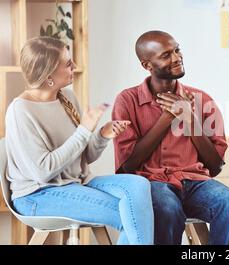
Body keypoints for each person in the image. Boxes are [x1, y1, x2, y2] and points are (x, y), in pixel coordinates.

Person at [5, 37, 154, 245]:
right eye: (67, 64)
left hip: (78, 182)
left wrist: (102, 135)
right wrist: (84, 131)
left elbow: (84, 158)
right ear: (48, 76)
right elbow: (43, 171)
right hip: (39, 195)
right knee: (133, 215)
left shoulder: (66, 96)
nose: (74, 67)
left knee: (138, 185)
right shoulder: (20, 111)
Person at [112, 30, 229, 245]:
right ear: (147, 65)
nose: (177, 58)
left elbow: (215, 166)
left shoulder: (203, 100)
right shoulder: (127, 101)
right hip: (152, 183)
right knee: (167, 209)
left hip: (196, 183)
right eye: (166, 55)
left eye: (177, 50)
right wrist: (168, 117)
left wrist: (189, 118)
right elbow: (128, 166)